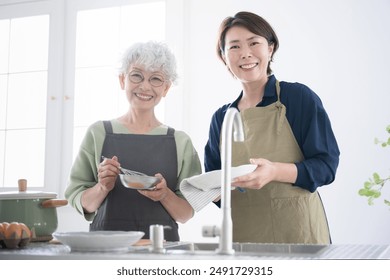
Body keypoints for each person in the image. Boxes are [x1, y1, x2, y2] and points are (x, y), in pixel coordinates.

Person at [204, 12, 340, 244]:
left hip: (299, 235)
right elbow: (215, 188)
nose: (245, 53)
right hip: (243, 238)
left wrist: (274, 172)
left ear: (270, 48)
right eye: (234, 47)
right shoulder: (222, 119)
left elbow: (326, 166)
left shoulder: (297, 98)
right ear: (224, 57)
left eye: (254, 43)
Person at [65, 41, 202, 241]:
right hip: (106, 248)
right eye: (137, 75)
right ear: (123, 80)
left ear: (166, 88)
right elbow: (83, 203)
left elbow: (185, 214)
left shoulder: (180, 141)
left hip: (162, 250)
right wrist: (102, 187)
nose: (145, 86)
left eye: (156, 79)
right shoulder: (99, 133)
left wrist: (164, 194)